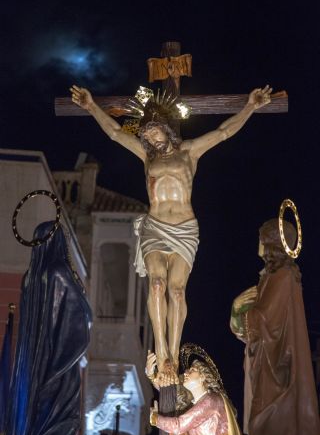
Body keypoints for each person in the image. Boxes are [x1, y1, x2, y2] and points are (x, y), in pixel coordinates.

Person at [70, 83, 272, 373]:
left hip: (184, 229)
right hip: (155, 226)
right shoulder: (147, 156)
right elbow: (115, 133)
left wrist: (251, 106)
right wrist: (91, 106)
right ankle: (161, 349)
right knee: (156, 284)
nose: (151, 137)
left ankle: (173, 356)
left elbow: (224, 132)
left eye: (155, 131)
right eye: (147, 134)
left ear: (167, 129)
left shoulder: (189, 152)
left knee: (176, 292)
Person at [230, 219, 320, 435]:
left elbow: (263, 320)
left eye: (262, 239)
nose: (259, 243)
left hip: (277, 366)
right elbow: (252, 327)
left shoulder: (284, 276)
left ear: (272, 242)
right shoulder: (271, 277)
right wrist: (237, 308)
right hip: (267, 360)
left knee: (269, 421)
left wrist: (240, 311)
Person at [3, 221, 92, 435]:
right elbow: (83, 317)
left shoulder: (30, 278)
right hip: (57, 365)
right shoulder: (59, 272)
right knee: (57, 423)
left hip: (32, 368)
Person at [146, 349, 245, 435]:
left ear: (202, 377)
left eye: (192, 370)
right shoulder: (195, 403)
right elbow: (170, 392)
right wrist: (151, 374)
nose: (185, 373)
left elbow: (178, 425)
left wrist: (154, 418)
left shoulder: (211, 400)